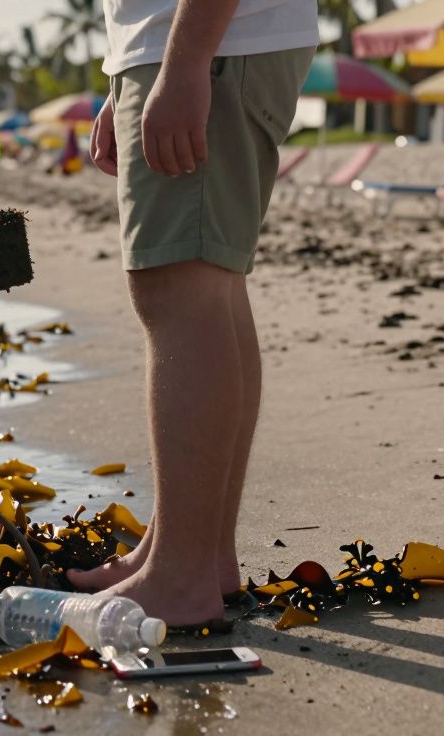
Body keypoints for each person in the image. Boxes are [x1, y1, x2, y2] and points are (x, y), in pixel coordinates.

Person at [67, 0, 318, 632]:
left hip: (210, 43)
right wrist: (129, 72)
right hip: (193, 45)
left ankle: (182, 578)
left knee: (179, 289)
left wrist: (182, 62)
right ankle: (196, 554)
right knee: (210, 285)